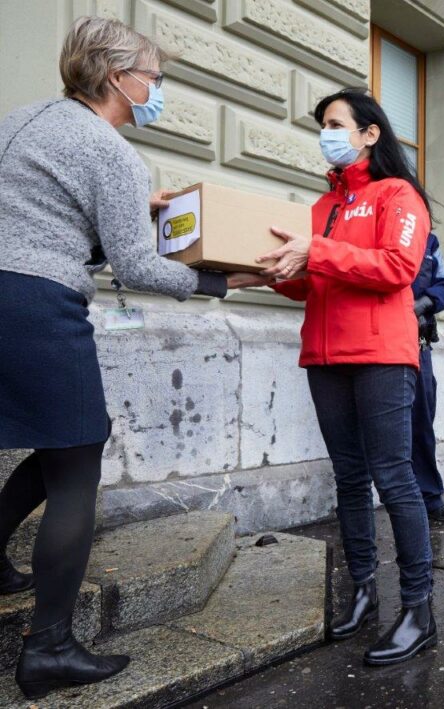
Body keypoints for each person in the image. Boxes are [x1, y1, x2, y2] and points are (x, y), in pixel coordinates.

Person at [0, 17, 256, 699]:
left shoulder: (26, 119)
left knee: (54, 445)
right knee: (79, 455)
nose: (158, 88)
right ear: (120, 78)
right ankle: (50, 646)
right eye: (156, 76)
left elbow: (37, 207)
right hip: (34, 303)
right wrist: (221, 281)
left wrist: (129, 203)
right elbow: (137, 263)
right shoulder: (110, 148)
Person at [257, 88, 436, 666]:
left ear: (369, 133)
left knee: (394, 477)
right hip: (326, 355)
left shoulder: (398, 195)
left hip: (381, 353)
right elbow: (314, 279)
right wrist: (272, 273)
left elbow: (397, 268)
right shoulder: (321, 207)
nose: (326, 134)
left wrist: (319, 253)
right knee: (349, 478)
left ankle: (419, 610)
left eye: (336, 124)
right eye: (322, 126)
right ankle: (363, 589)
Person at [410, 233, 444, 523]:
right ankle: (359, 503)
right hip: (377, 340)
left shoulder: (428, 241)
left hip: (418, 343)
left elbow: (443, 286)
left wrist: (423, 303)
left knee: (422, 423)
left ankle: (429, 498)